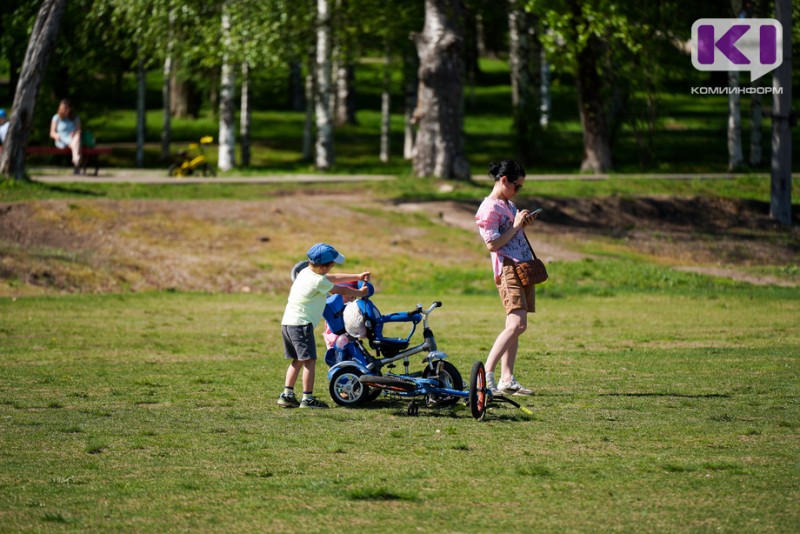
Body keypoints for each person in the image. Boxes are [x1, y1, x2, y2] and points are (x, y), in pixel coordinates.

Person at [278, 243, 371, 409]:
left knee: (298, 360)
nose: (333, 267)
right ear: (322, 267)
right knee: (310, 361)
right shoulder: (317, 282)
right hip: (301, 325)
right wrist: (360, 293)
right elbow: (338, 290)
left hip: (288, 323)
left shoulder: (306, 273)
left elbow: (333, 278)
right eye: (332, 264)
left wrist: (357, 276)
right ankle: (307, 399)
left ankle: (287, 395)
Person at [475, 160, 537, 396]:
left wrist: (522, 224)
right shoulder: (489, 208)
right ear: (503, 181)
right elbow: (492, 244)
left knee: (516, 325)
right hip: (508, 268)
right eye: (517, 186)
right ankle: (486, 375)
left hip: (522, 267)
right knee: (517, 324)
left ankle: (507, 378)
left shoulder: (508, 205)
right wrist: (515, 226)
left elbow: (511, 234)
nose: (518, 191)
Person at [49, 99, 82, 174]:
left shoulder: (75, 118)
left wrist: (74, 133)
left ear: (69, 109)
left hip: (73, 139)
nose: (63, 111)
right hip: (61, 140)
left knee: (77, 138)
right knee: (75, 143)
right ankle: (77, 163)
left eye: (65, 109)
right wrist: (56, 135)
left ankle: (75, 159)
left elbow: (78, 131)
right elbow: (52, 133)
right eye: (61, 109)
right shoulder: (56, 118)